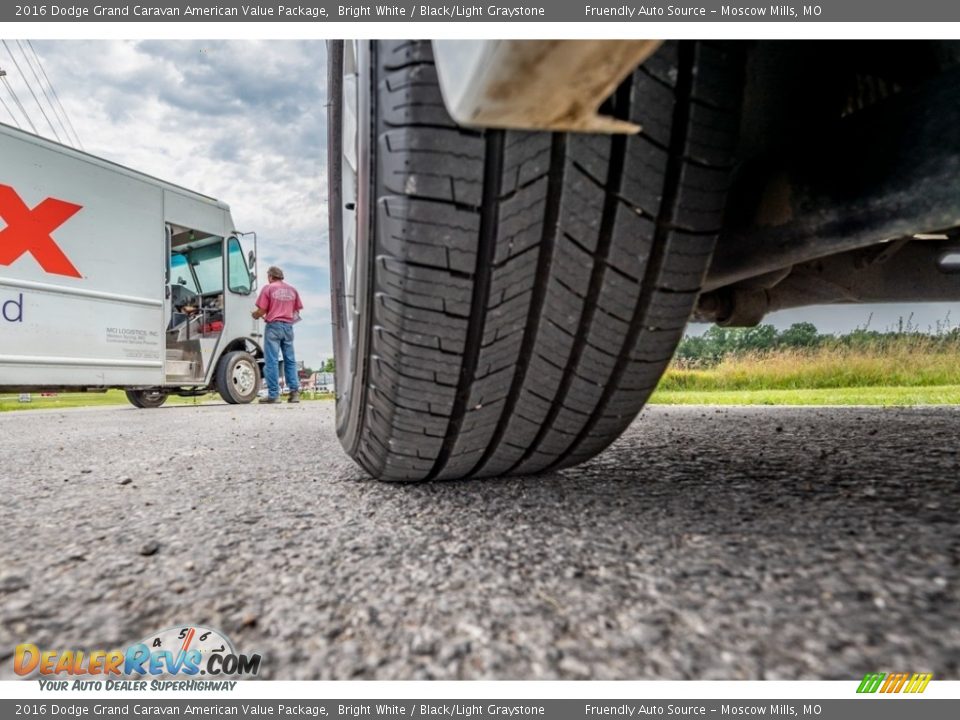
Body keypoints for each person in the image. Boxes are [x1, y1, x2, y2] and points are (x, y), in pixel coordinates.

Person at [252, 266, 303, 404]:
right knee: (290, 360)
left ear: (270, 276)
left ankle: (274, 395)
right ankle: (294, 393)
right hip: (288, 327)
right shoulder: (292, 290)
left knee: (272, 361)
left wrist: (255, 315)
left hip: (273, 327)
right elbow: (296, 310)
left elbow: (262, 310)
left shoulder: (268, 288)